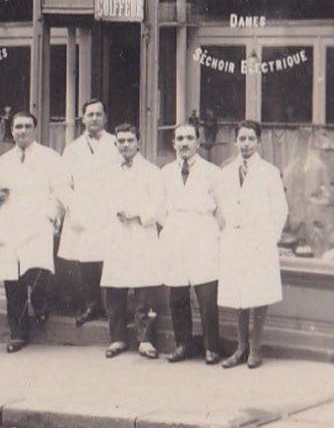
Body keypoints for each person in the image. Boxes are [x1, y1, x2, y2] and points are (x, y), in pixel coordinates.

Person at [0, 111, 72, 353]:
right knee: (12, 281)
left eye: (26, 127)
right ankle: (18, 333)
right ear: (11, 130)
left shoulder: (50, 157)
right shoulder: (4, 161)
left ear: (35, 129)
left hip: (37, 223)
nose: (22, 131)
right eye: (17, 127)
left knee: (38, 271)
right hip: (11, 223)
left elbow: (61, 190)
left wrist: (52, 214)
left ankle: (41, 305)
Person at [217, 120, 289, 370]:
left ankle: (255, 349)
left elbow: (280, 209)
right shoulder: (226, 172)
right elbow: (224, 205)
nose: (245, 144)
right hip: (236, 240)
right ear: (235, 141)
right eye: (241, 139)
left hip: (259, 242)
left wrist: (269, 238)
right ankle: (240, 348)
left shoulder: (269, 172)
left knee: (258, 294)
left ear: (258, 142)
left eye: (250, 139)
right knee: (239, 295)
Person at [159, 122, 223, 365]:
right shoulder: (164, 173)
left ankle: (211, 347)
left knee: (206, 296)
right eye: (180, 139)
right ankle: (183, 344)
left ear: (197, 141)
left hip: (203, 236)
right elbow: (159, 207)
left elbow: (222, 209)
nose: (184, 143)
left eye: (189, 138)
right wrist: (174, 227)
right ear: (173, 143)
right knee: (177, 295)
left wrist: (209, 233)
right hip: (175, 236)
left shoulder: (212, 172)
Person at [99, 124, 165, 360]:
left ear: (138, 142)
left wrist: (137, 214)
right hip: (117, 236)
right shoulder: (109, 172)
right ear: (115, 144)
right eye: (121, 141)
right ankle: (116, 338)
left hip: (141, 234)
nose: (125, 145)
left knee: (144, 289)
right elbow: (103, 203)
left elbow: (159, 206)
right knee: (115, 289)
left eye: (129, 140)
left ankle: (145, 340)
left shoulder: (151, 172)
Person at [58, 98, 121, 326]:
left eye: (98, 114)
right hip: (82, 211)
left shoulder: (116, 144)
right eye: (90, 114)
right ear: (82, 118)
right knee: (86, 261)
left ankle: (110, 307)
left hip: (108, 210)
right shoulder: (72, 149)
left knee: (108, 258)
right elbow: (62, 183)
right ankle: (90, 305)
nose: (94, 118)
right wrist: (72, 206)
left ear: (105, 118)